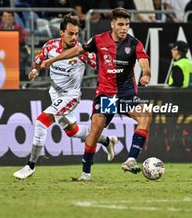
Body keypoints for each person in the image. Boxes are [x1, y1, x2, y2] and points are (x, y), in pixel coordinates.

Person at [41, 8, 151, 181]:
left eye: (127, 25)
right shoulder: (99, 40)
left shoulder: (134, 43)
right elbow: (78, 51)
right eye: (121, 24)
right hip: (106, 94)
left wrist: (146, 74)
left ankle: (131, 159)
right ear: (112, 24)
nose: (124, 28)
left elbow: (144, 62)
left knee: (145, 116)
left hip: (126, 93)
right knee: (95, 131)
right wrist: (52, 60)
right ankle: (85, 173)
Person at [13, 14, 118, 180]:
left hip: (71, 95)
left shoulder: (82, 52)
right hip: (55, 94)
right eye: (70, 33)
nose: (74, 37)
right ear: (61, 33)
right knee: (73, 131)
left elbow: (102, 67)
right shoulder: (49, 46)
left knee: (41, 121)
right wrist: (35, 70)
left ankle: (30, 165)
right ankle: (107, 140)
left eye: (76, 34)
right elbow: (39, 61)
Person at [0, 11, 30, 81]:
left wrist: (12, 41)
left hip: (16, 51)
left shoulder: (18, 28)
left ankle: (22, 81)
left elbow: (24, 38)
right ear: (2, 18)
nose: (7, 18)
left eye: (9, 16)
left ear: (13, 18)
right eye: (5, 16)